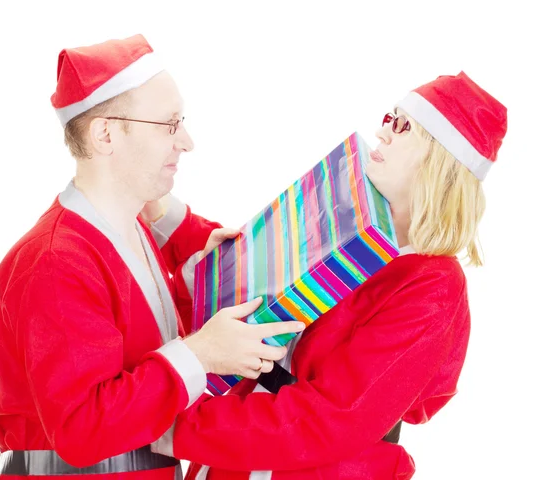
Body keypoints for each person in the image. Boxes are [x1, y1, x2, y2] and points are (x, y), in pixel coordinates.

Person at [151, 72, 508, 479]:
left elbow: (333, 416)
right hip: (238, 453)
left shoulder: (433, 285)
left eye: (403, 126)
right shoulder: (345, 228)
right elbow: (251, 302)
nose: (383, 132)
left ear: (442, 162)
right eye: (389, 118)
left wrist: (166, 425)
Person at [0, 34, 306, 480]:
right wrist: (201, 354)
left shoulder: (130, 228)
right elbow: (82, 430)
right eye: (169, 124)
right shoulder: (56, 261)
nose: (187, 141)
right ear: (106, 134)